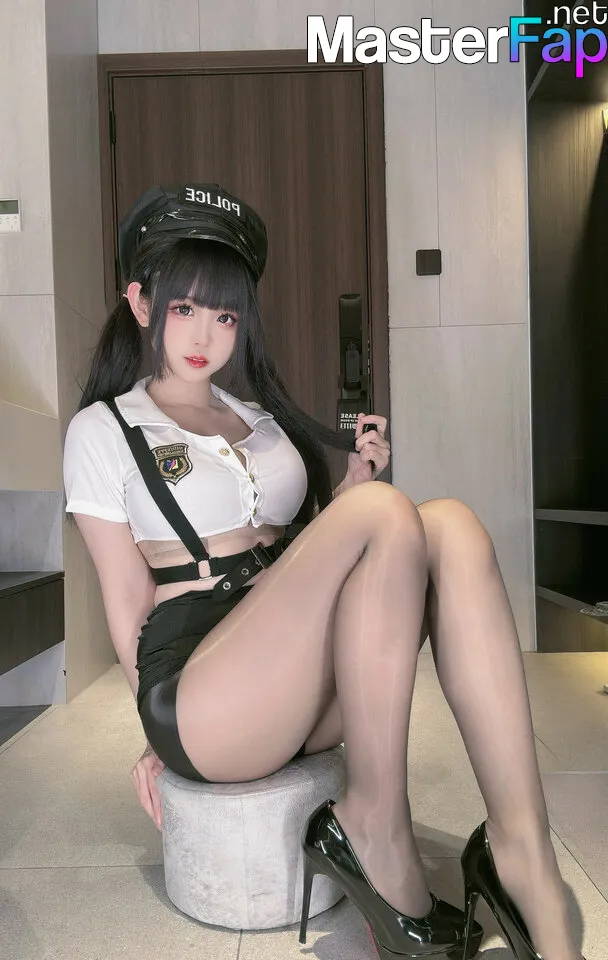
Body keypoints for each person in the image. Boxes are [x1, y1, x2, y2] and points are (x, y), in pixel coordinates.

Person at [62, 183, 585, 960]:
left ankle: (522, 853)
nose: (205, 334)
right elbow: (127, 597)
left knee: (452, 526)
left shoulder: (262, 422)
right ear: (140, 304)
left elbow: (306, 567)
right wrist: (157, 734)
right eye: (184, 308)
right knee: (384, 514)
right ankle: (375, 825)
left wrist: (352, 492)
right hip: (204, 690)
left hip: (293, 674)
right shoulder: (105, 430)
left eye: (225, 315)